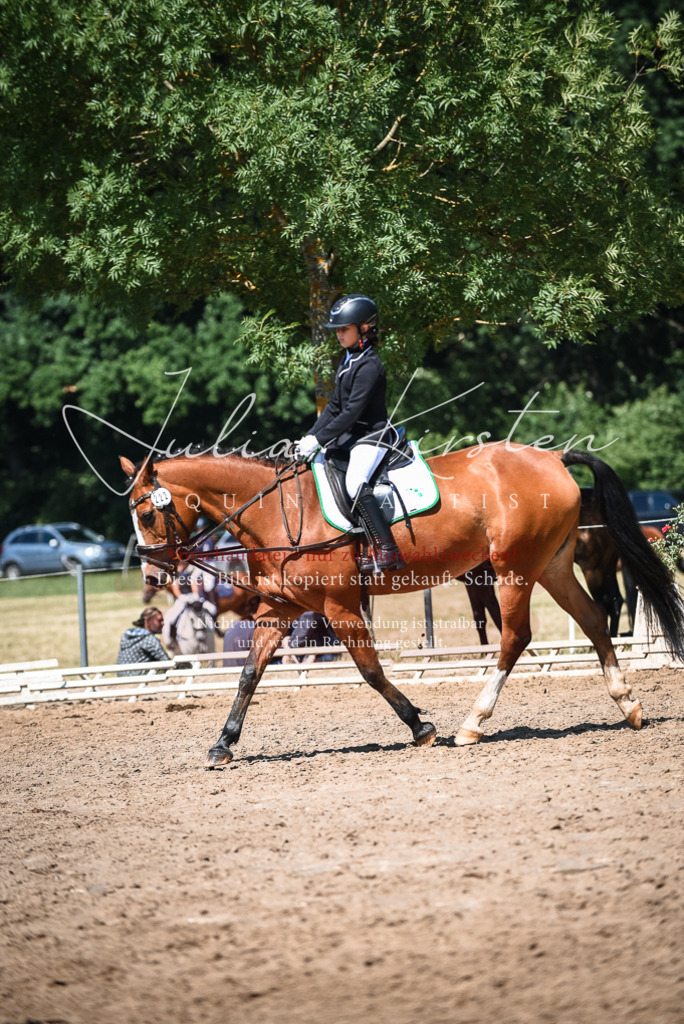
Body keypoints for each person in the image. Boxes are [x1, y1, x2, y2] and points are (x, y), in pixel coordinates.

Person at [294, 294, 406, 574]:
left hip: (373, 436)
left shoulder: (369, 365)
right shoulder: (349, 360)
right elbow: (333, 407)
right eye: (338, 330)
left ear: (364, 328)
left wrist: (319, 440)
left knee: (355, 482)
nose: (339, 335)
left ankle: (388, 550)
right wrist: (309, 438)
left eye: (344, 329)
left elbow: (352, 413)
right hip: (351, 437)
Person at [116, 607, 170, 676]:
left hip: (122, 679)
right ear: (147, 622)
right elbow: (168, 663)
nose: (163, 623)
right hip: (139, 680)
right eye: (159, 620)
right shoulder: (149, 639)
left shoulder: (128, 636)